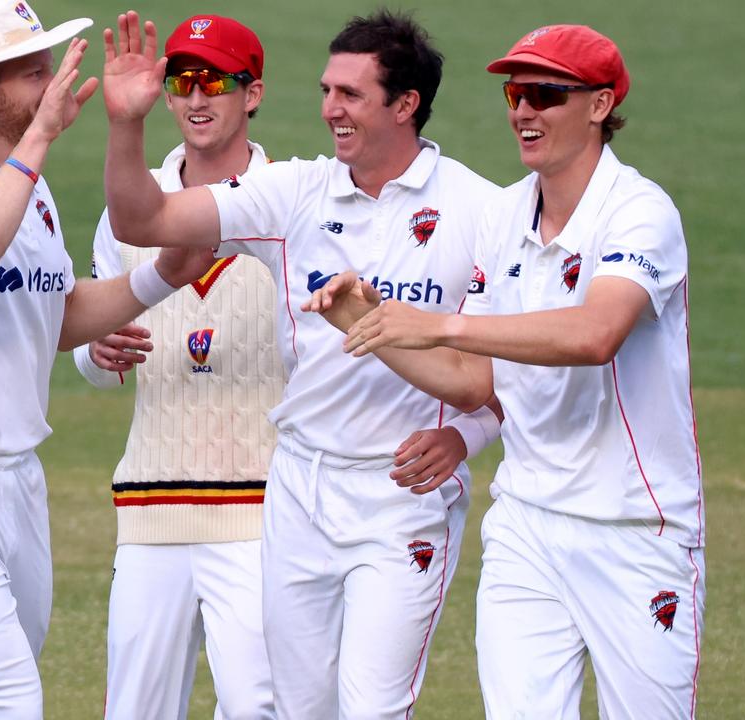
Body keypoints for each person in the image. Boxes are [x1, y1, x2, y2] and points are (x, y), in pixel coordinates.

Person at [100, 10, 502, 717]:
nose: (328, 111)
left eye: (350, 95)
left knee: (373, 708)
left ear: (405, 105)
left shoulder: (483, 212)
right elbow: (141, 222)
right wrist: (128, 123)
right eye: (325, 90)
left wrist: (463, 436)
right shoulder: (296, 193)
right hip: (297, 490)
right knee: (295, 707)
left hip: (401, 494)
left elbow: (521, 372)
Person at [312, 25, 705, 718]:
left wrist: (440, 324)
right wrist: (373, 330)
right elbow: (478, 383)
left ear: (600, 104)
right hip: (526, 524)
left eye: (546, 94)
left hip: (635, 530)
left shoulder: (640, 214)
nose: (523, 111)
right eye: (515, 93)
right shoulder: (504, 214)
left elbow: (595, 334)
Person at [0, 2, 215, 716]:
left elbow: (54, 315)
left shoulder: (33, 191)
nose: (54, 86)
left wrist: (161, 277)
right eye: (32, 73)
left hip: (21, 484)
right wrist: (35, 145)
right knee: (5, 697)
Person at [74, 16, 278, 718]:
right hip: (150, 512)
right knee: (134, 708)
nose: (197, 99)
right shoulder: (128, 210)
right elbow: (93, 361)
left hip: (261, 514)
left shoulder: (294, 203)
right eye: (182, 82)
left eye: (215, 82)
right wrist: (94, 352)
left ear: (251, 95)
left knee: (259, 706)